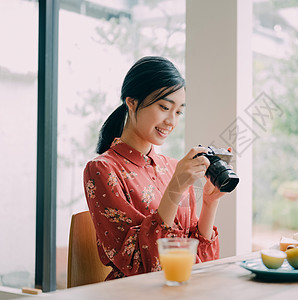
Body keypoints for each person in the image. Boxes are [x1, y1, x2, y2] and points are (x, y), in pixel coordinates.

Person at [83, 56, 225, 280]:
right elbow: (141, 265)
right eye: (164, 107)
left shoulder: (173, 167)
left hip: (181, 289)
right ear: (131, 102)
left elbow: (197, 260)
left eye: (178, 112)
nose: (172, 121)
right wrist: (175, 189)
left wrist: (210, 202)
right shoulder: (102, 169)